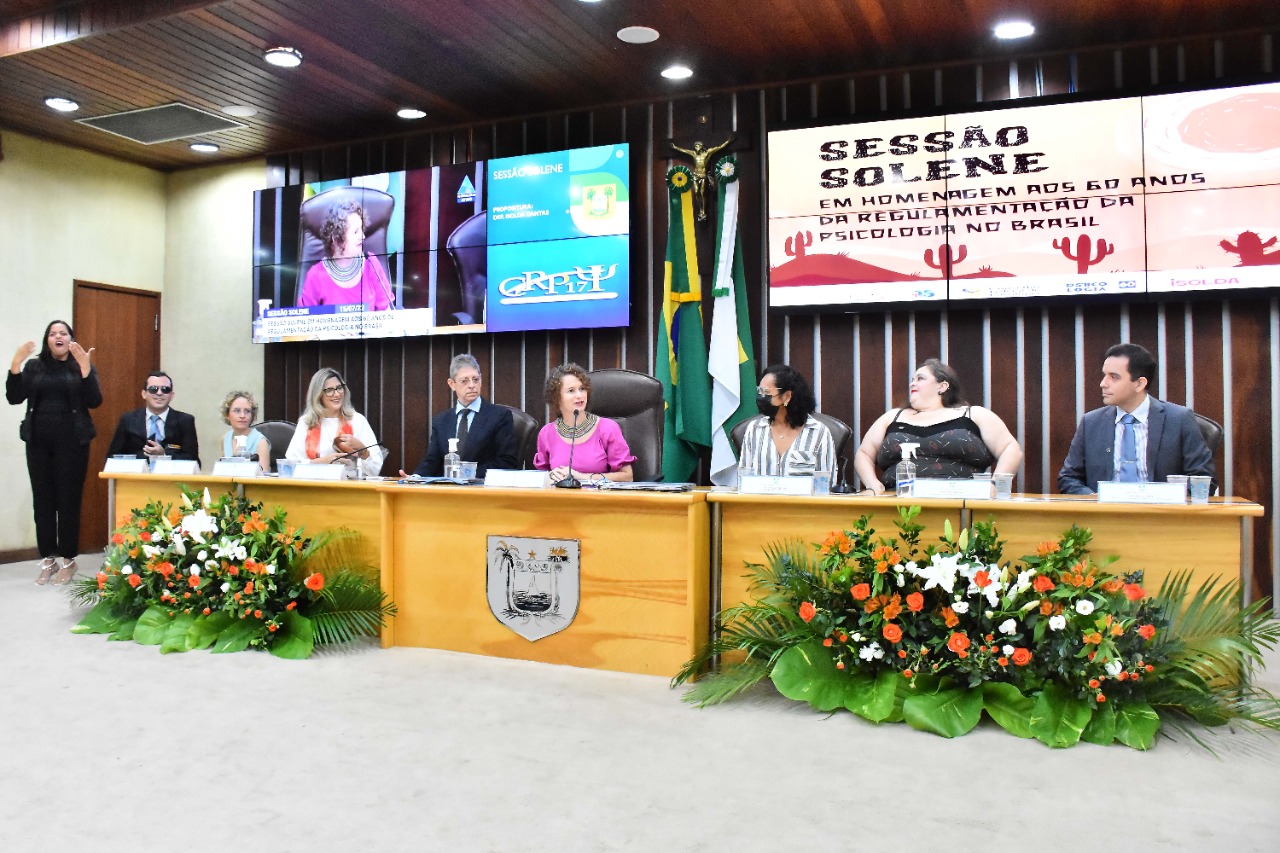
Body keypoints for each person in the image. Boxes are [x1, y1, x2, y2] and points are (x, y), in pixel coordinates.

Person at [7, 320, 102, 585]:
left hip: (73, 444)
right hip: (38, 443)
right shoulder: (34, 366)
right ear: (47, 340)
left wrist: (85, 370)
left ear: (71, 339)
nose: (58, 336)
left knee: (68, 501)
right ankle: (48, 558)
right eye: (52, 333)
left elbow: (94, 400)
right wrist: (15, 365)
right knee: (43, 502)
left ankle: (68, 560)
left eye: (63, 333)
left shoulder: (80, 365)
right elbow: (14, 397)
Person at [1058, 342, 1214, 494]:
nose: (1103, 384)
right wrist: (1094, 499)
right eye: (1104, 375)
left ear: (1139, 384)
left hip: (1160, 510)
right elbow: (1068, 478)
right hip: (1105, 510)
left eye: (1114, 377)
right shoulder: (1091, 423)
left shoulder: (1179, 420)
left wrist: (1167, 497)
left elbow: (1205, 479)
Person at [855, 359, 1022, 493]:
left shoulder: (974, 414)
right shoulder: (892, 417)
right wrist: (873, 485)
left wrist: (995, 485)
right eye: (912, 380)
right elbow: (864, 454)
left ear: (942, 386)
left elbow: (1011, 449)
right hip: (897, 502)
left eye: (920, 378)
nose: (912, 383)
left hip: (964, 502)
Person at [406, 354, 517, 477]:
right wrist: (415, 478)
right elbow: (432, 461)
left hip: (481, 486)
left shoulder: (499, 416)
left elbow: (507, 462)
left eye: (475, 379)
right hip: (448, 487)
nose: (472, 385)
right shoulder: (441, 421)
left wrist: (466, 474)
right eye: (464, 381)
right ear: (452, 384)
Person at [534, 363, 634, 483]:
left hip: (599, 495)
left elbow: (627, 477)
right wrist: (550, 476)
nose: (579, 395)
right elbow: (540, 479)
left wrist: (582, 477)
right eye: (571, 391)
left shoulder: (608, 428)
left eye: (582, 389)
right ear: (556, 398)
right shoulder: (546, 433)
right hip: (560, 494)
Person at [737, 364, 836, 477]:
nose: (761, 397)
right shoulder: (754, 429)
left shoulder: (819, 432)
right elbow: (744, 478)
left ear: (787, 396)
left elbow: (826, 482)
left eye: (766, 392)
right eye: (759, 391)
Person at [285, 368, 386, 478]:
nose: (337, 394)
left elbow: (374, 469)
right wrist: (320, 462)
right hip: (314, 485)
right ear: (318, 395)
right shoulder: (307, 423)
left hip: (349, 485)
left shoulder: (357, 420)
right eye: (329, 390)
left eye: (339, 388)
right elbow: (290, 466)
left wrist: (364, 450)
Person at [296, 201, 394, 311]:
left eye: (361, 229)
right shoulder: (315, 276)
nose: (362, 236)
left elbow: (386, 311)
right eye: (355, 232)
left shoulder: (371, 263)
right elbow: (306, 317)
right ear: (336, 239)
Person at [105, 371, 201, 466]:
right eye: (153, 389)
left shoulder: (185, 421)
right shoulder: (128, 420)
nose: (159, 393)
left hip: (170, 474)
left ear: (172, 395)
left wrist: (164, 455)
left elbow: (194, 461)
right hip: (137, 474)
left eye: (165, 389)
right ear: (144, 394)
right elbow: (112, 457)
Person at [220, 391, 270, 471]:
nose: (242, 416)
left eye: (247, 411)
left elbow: (263, 475)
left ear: (252, 416)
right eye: (237, 410)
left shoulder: (261, 442)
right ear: (227, 415)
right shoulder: (225, 438)